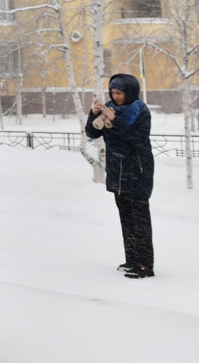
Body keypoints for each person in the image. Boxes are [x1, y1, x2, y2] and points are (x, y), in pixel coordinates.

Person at [86, 73, 155, 279]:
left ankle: (145, 265)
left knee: (140, 221)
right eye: (113, 92)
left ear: (130, 92)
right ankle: (132, 260)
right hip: (118, 171)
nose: (115, 97)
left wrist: (116, 121)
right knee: (126, 219)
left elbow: (138, 140)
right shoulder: (110, 109)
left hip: (138, 171)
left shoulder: (140, 111)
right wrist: (93, 113)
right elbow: (93, 133)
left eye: (119, 93)